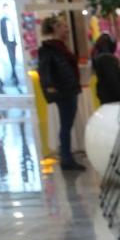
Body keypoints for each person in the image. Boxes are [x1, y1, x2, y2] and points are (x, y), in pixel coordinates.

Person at [37, 16, 84, 171]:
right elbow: (45, 72)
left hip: (68, 89)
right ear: (55, 28)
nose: (67, 29)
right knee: (66, 125)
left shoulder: (59, 47)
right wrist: (50, 88)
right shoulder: (50, 48)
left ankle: (66, 156)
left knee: (67, 124)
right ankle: (66, 157)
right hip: (64, 91)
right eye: (63, 26)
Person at [91, 33, 120, 104]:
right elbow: (113, 81)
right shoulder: (107, 59)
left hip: (106, 98)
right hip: (113, 99)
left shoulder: (99, 58)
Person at [0, 10, 19, 85]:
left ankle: (13, 73)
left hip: (13, 41)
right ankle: (14, 75)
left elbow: (14, 30)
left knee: (13, 58)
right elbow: (2, 31)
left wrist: (15, 39)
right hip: (8, 42)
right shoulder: (2, 20)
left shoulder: (11, 19)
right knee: (12, 58)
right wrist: (4, 41)